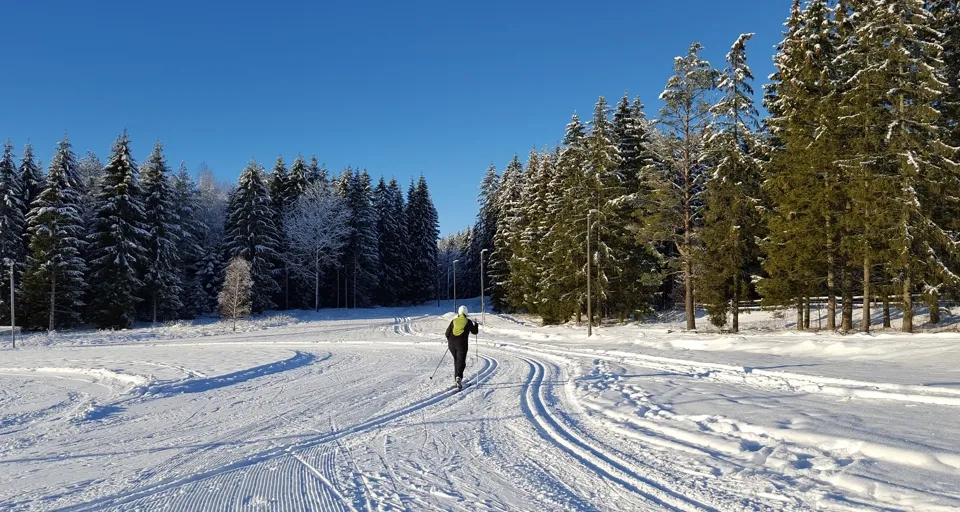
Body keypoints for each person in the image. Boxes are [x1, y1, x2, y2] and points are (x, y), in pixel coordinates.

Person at [444, 305, 478, 391]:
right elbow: (475, 332)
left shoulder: (454, 321)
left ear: (459, 313)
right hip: (462, 344)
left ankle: (456, 378)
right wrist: (476, 325)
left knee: (456, 360)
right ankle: (458, 377)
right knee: (461, 362)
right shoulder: (468, 321)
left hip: (451, 344)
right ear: (466, 313)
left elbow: (447, 333)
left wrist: (451, 341)